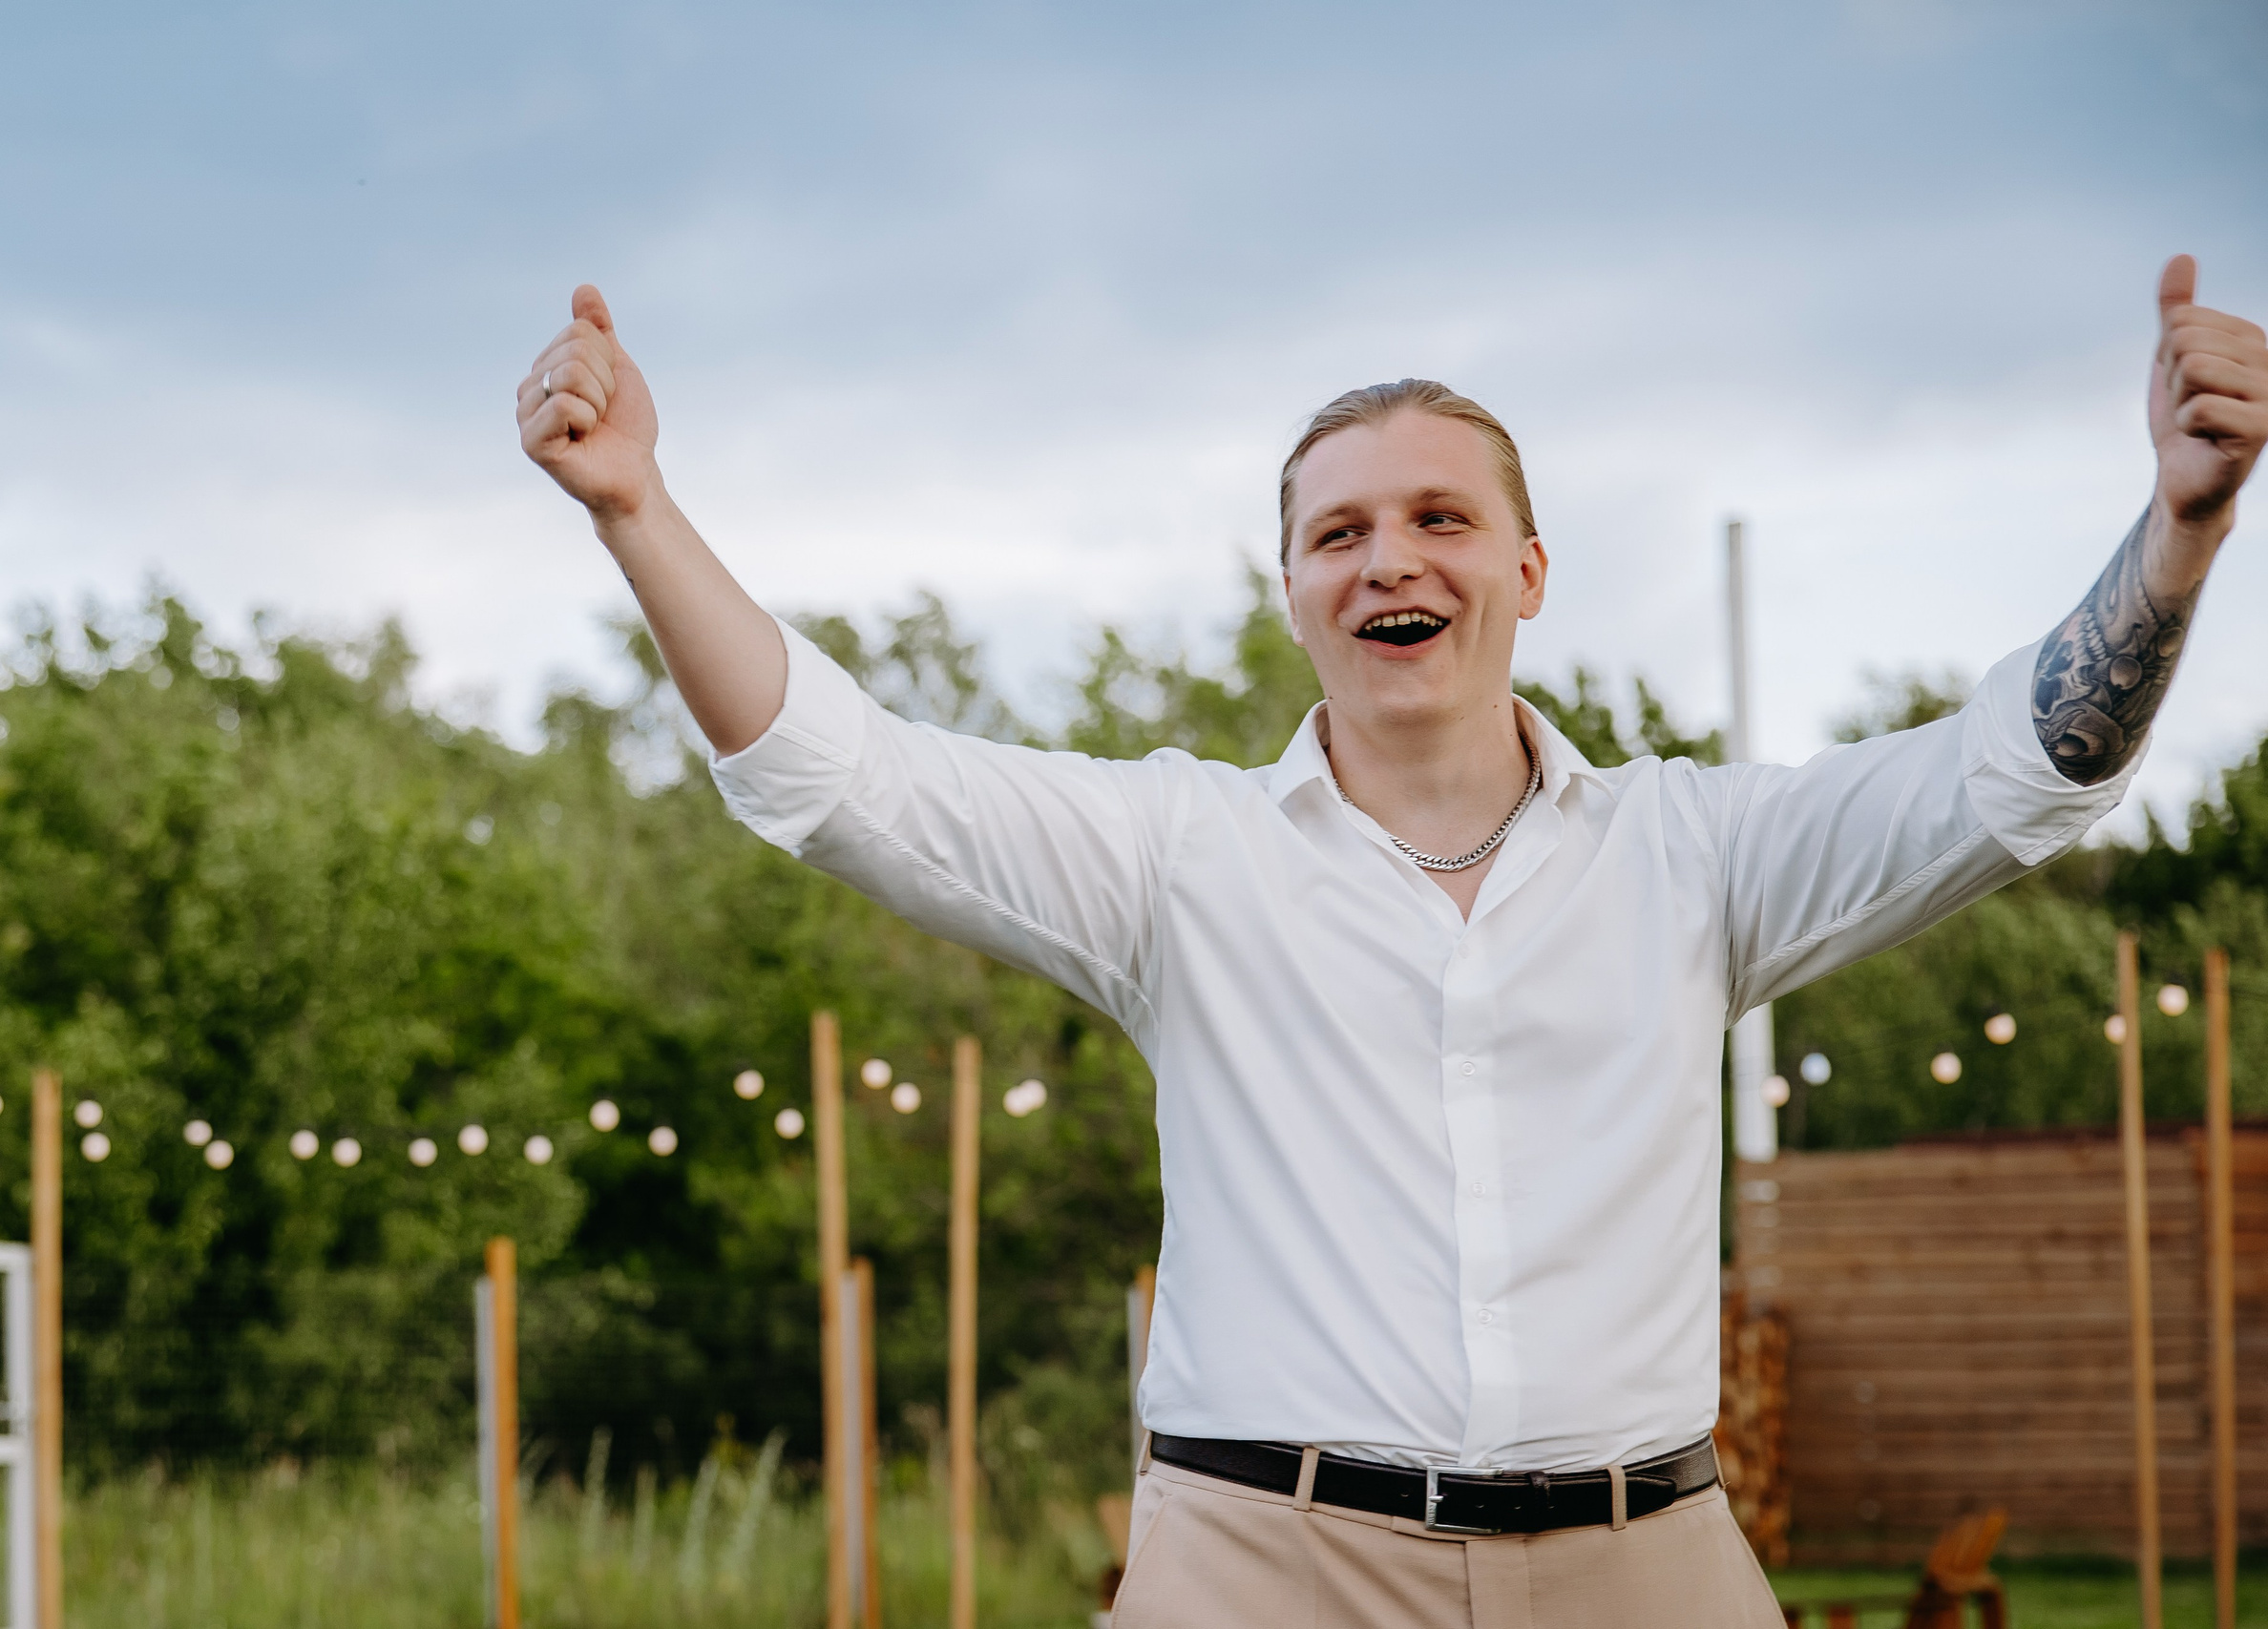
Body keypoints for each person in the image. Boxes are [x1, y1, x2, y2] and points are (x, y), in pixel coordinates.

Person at [517, 260, 2264, 1627]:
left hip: (1643, 1567)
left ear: (1529, 566)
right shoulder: (1174, 857)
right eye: (1335, 532)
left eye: (1437, 517)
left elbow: (2018, 769)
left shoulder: (1696, 853)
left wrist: (2184, 527)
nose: (1388, 559)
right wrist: (633, 512)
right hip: (1260, 1569)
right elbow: (844, 780)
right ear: (1290, 591)